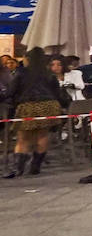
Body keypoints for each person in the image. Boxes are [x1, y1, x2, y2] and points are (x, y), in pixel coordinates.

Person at [4, 48, 71, 177]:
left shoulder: (21, 72)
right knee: (43, 135)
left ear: (27, 59)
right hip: (49, 106)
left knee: (23, 138)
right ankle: (35, 167)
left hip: (29, 106)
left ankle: (18, 168)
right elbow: (57, 94)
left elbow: (11, 92)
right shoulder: (49, 74)